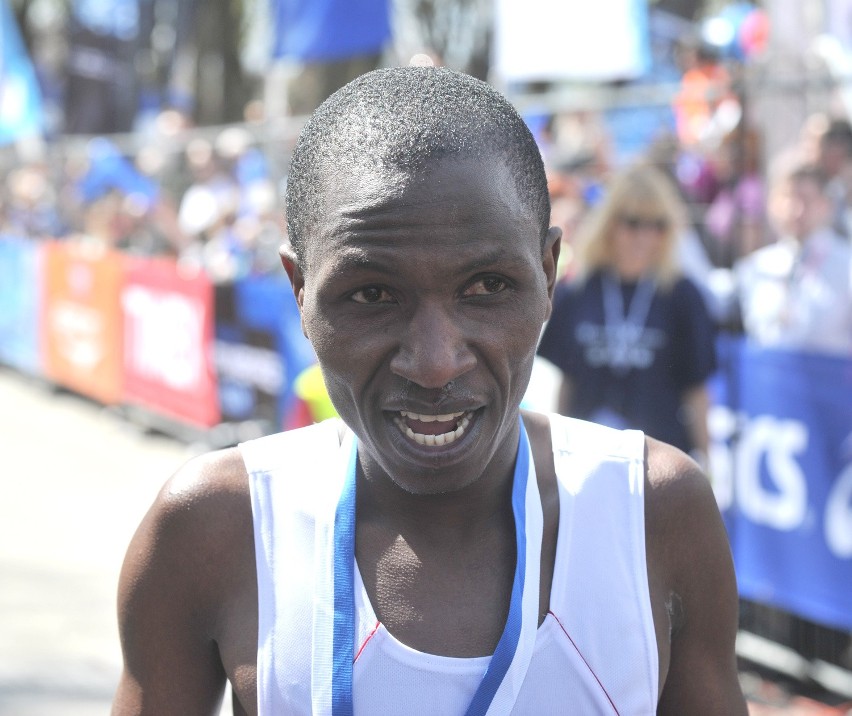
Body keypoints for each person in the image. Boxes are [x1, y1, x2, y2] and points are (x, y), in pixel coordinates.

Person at [112, 67, 747, 715]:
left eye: (487, 287)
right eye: (372, 294)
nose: (435, 363)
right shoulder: (217, 528)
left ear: (549, 275)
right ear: (300, 292)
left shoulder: (652, 515)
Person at [537, 164, 717, 465]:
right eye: (633, 223)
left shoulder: (683, 297)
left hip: (660, 463)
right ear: (609, 224)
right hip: (585, 459)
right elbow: (564, 381)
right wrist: (552, 456)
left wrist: (707, 462)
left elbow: (696, 390)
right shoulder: (577, 292)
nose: (644, 237)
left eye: (657, 225)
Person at [735, 158, 852, 355]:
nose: (796, 210)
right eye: (788, 197)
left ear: (825, 205)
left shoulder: (847, 265)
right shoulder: (755, 267)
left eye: (806, 199)